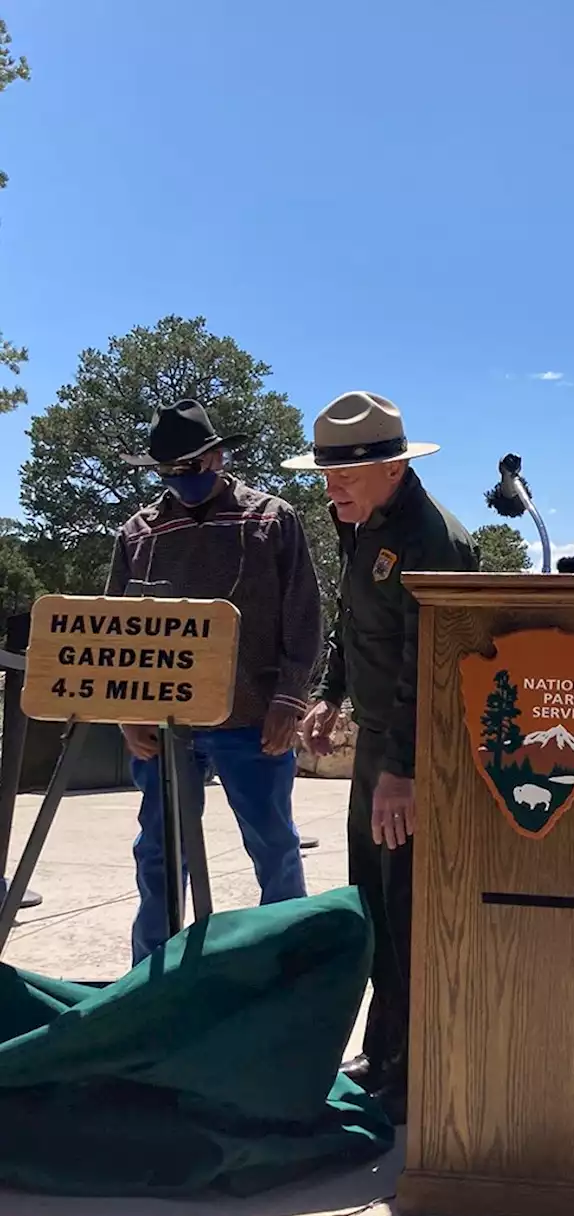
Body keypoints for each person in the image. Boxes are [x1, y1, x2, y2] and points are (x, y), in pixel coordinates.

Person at [293, 391, 476, 1124]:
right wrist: (331, 692)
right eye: (326, 473)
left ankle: (420, 1064)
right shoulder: (362, 523)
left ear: (394, 467)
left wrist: (402, 770)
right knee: (377, 903)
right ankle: (387, 1048)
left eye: (345, 474)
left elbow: (429, 665)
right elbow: (354, 621)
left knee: (412, 910)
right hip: (380, 746)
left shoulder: (435, 540)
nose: (330, 486)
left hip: (419, 757)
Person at [108, 400, 322, 965]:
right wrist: (126, 710)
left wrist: (289, 699)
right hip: (163, 723)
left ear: (217, 456)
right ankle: (149, 980)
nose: (183, 481)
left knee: (274, 846)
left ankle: (288, 969)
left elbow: (303, 613)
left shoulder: (271, 519)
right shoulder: (137, 535)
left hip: (252, 719)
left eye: (192, 468)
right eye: (169, 473)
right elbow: (117, 629)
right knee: (157, 853)